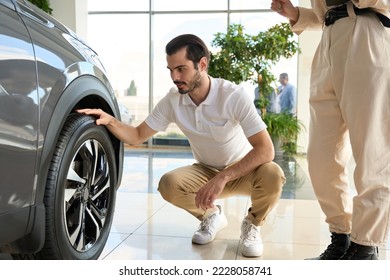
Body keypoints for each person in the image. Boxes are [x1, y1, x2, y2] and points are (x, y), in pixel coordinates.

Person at [77, 34, 286, 258]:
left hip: (243, 171)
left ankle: (252, 224)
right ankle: (211, 215)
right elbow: (137, 135)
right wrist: (110, 120)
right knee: (169, 184)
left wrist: (223, 177)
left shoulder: (232, 96)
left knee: (273, 173)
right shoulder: (173, 100)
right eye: (170, 70)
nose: (174, 77)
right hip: (206, 170)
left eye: (181, 69)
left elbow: (266, 150)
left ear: (202, 64)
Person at [271, 0, 390, 260]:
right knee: (321, 157)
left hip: (367, 33)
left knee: (373, 151)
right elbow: (325, 10)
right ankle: (342, 238)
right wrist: (295, 14)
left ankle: (365, 247)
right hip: (329, 37)